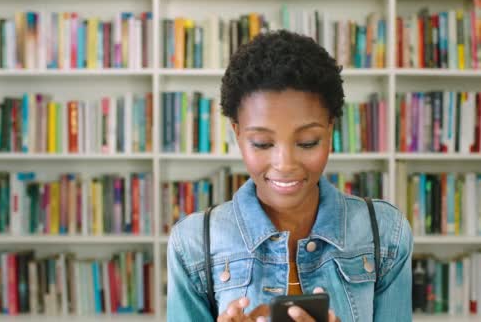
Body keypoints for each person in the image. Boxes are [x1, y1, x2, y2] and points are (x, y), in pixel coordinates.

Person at [166, 30, 413, 322]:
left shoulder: (385, 234)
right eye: (262, 143)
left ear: (331, 131)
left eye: (307, 142)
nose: (285, 164)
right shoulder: (193, 244)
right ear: (237, 133)